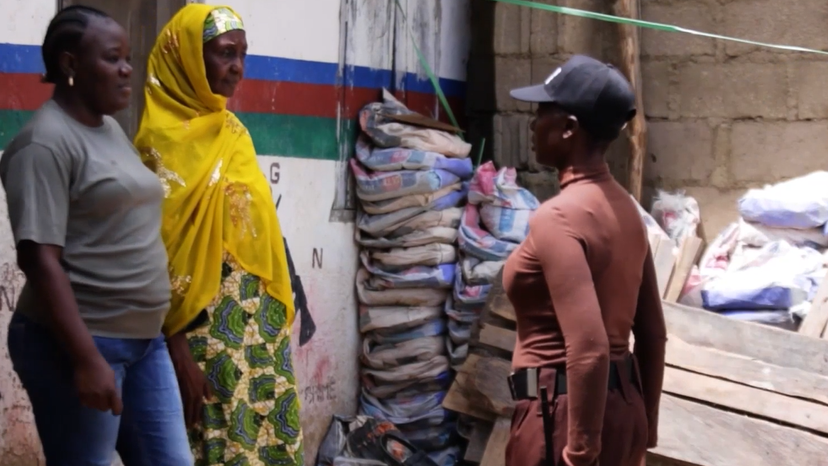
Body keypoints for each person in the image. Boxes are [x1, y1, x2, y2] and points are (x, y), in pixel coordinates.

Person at [0, 5, 192, 466]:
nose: (129, 70)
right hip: (81, 342)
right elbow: (38, 259)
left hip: (145, 343)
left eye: (128, 58)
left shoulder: (109, 129)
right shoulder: (43, 143)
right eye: (113, 59)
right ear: (70, 65)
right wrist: (86, 360)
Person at [133, 4, 303, 465]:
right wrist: (176, 348)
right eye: (225, 53)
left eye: (243, 54)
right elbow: (152, 257)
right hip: (201, 341)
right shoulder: (156, 147)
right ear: (187, 57)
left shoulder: (235, 134)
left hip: (259, 340)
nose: (237, 68)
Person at [502, 55, 668, 466]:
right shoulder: (627, 210)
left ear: (569, 128)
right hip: (620, 413)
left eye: (543, 111)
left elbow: (590, 348)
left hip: (559, 421)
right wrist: (644, 428)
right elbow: (653, 333)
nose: (533, 123)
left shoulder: (557, 217)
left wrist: (580, 452)